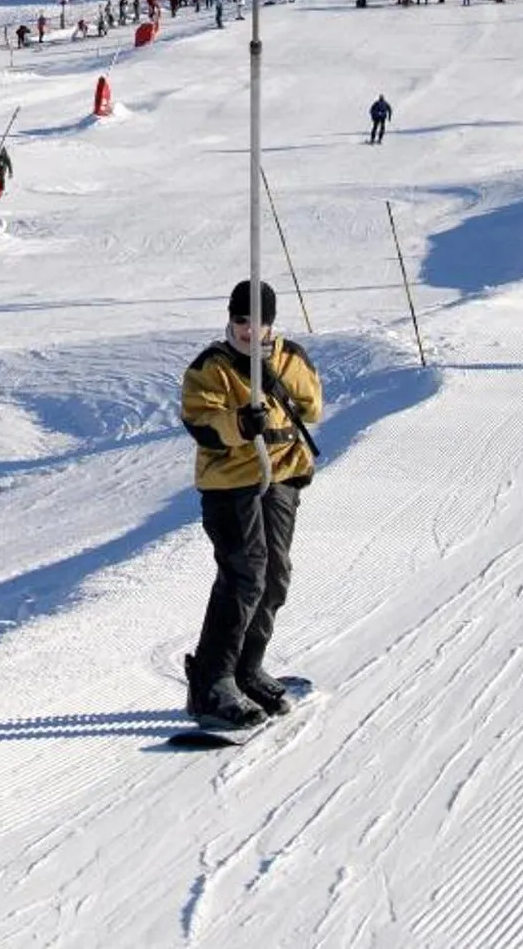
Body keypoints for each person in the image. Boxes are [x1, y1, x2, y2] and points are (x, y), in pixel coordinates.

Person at [178, 279, 322, 732]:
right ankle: (212, 681)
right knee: (245, 575)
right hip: (232, 482)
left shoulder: (288, 357)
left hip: (280, 477)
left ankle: (246, 668)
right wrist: (241, 422)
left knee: (275, 575)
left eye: (258, 321)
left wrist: (274, 390)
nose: (248, 329)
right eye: (241, 320)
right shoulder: (211, 367)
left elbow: (311, 406)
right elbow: (201, 423)